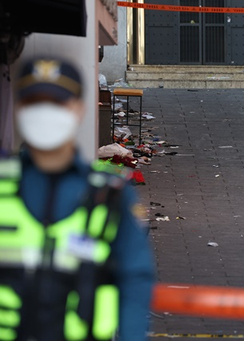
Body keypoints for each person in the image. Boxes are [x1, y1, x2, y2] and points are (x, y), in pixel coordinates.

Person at [0, 57, 155, 341]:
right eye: (35, 102)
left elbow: (135, 278)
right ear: (19, 109)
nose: (45, 113)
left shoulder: (109, 195)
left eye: (57, 103)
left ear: (79, 109)